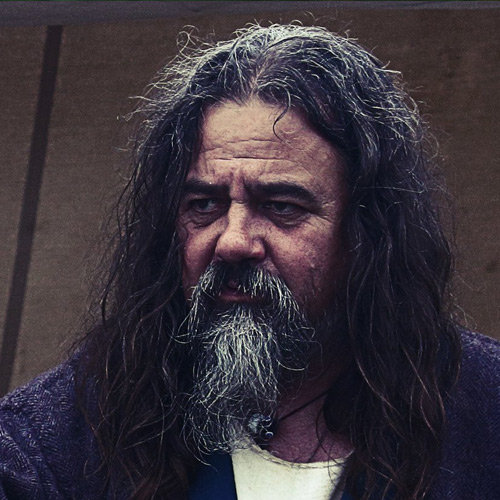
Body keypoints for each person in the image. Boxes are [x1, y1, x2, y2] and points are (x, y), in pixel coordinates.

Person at [0, 23, 499, 500]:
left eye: (281, 207)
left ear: (367, 232)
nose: (233, 242)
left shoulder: (484, 412)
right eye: (204, 205)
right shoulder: (55, 443)